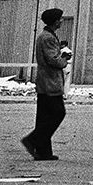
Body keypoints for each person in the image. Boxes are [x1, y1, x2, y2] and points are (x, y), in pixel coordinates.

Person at [21, 8, 72, 161]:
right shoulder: (48, 37)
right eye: (61, 18)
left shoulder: (46, 36)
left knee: (44, 116)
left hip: (44, 81)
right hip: (50, 82)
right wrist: (64, 59)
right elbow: (53, 60)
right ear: (55, 21)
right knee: (58, 113)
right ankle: (33, 139)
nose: (62, 20)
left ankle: (43, 151)